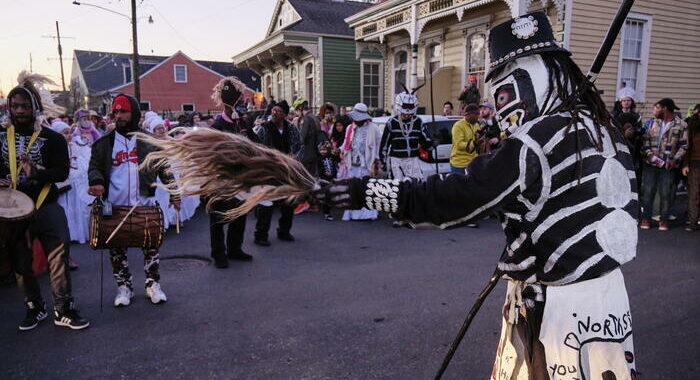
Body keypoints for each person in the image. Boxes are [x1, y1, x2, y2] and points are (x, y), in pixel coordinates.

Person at [317, 12, 638, 379]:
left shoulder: (534, 143)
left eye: (503, 94)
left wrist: (365, 191)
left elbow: (459, 195)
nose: (500, 110)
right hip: (610, 298)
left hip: (555, 310)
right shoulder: (606, 130)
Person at [0, 72, 89, 330]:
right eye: (14, 106)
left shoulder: (53, 138)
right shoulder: (0, 137)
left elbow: (61, 173)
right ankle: (34, 308)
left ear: (35, 107)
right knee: (20, 261)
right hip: (12, 210)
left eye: (24, 106)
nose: (18, 111)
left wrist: (37, 172)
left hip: (47, 205)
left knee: (59, 257)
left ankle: (64, 309)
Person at [88, 93, 180, 307]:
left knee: (151, 247)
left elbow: (165, 169)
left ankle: (152, 284)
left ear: (135, 113)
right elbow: (94, 167)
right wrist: (97, 181)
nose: (118, 115)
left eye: (123, 111)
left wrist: (175, 193)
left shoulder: (150, 142)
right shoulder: (103, 144)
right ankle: (124, 287)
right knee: (117, 250)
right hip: (115, 205)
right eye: (116, 111)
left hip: (144, 203)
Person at [208, 77, 257, 268]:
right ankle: (219, 253)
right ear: (230, 104)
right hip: (220, 181)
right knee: (218, 218)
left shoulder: (243, 124)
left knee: (240, 215)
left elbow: (255, 143)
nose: (244, 104)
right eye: (240, 102)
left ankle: (235, 249)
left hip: (241, 179)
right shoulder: (217, 127)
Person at [253, 100, 300, 246]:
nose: (274, 112)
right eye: (273, 110)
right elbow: (256, 146)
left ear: (285, 115)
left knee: (288, 203)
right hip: (269, 171)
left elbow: (299, 146)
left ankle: (284, 231)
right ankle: (261, 235)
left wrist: (294, 156)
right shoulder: (265, 128)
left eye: (278, 111)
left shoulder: (292, 128)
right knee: (266, 204)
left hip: (287, 170)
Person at [639, 98, 688, 231]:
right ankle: (646, 219)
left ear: (665, 108)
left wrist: (675, 159)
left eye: (657, 107)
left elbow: (684, 146)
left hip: (668, 165)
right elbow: (645, 141)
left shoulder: (681, 125)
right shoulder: (651, 123)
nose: (655, 110)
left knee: (666, 193)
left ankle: (664, 220)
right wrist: (649, 154)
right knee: (648, 192)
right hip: (651, 164)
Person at [340, 103, 382, 221]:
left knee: (366, 188)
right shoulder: (350, 128)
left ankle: (369, 214)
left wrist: (376, 160)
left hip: (367, 165)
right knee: (353, 189)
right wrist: (340, 150)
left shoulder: (373, 128)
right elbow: (345, 144)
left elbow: (378, 145)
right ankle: (353, 214)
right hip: (352, 163)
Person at [380, 91, 433, 182]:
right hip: (396, 160)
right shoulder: (391, 122)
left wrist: (431, 143)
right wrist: (383, 162)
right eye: (404, 114)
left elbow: (425, 141)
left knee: (415, 185)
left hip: (413, 160)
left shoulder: (418, 122)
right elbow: (384, 145)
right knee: (398, 186)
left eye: (409, 114)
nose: (407, 115)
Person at [681, 104, 700, 231]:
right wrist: (685, 164)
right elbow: (687, 148)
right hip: (695, 163)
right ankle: (693, 221)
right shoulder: (692, 128)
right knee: (694, 193)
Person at [450, 104, 483, 174]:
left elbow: (478, 142)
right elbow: (459, 145)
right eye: (476, 114)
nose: (478, 116)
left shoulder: (476, 125)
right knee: (460, 185)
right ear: (468, 114)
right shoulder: (458, 126)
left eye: (479, 114)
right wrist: (474, 143)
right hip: (459, 164)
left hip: (473, 162)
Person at [317, 140, 340, 221]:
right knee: (326, 196)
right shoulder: (319, 159)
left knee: (331, 196)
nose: (322, 151)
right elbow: (319, 169)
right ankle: (326, 213)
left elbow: (337, 161)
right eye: (321, 150)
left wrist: (335, 151)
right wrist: (324, 172)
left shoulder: (331, 156)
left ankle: (328, 210)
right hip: (324, 180)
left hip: (332, 179)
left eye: (324, 149)